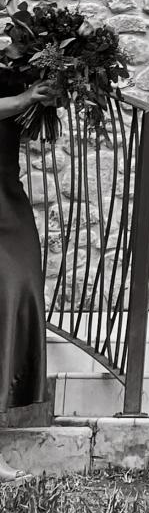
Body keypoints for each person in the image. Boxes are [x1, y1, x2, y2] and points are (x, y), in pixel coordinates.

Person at [0, 72, 55, 484]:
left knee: (18, 299)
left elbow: (36, 125)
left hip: (7, 196)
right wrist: (22, 99)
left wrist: (55, 90)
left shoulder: (12, 66)